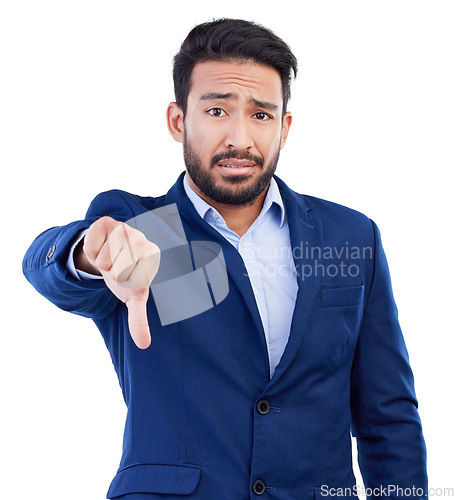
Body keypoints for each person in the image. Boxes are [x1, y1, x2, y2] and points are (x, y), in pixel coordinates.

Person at [23, 18, 428, 500]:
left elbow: (388, 416)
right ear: (178, 120)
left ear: (285, 126)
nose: (240, 138)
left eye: (261, 115)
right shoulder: (146, 229)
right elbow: (47, 268)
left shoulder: (348, 236)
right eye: (217, 111)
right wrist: (87, 252)